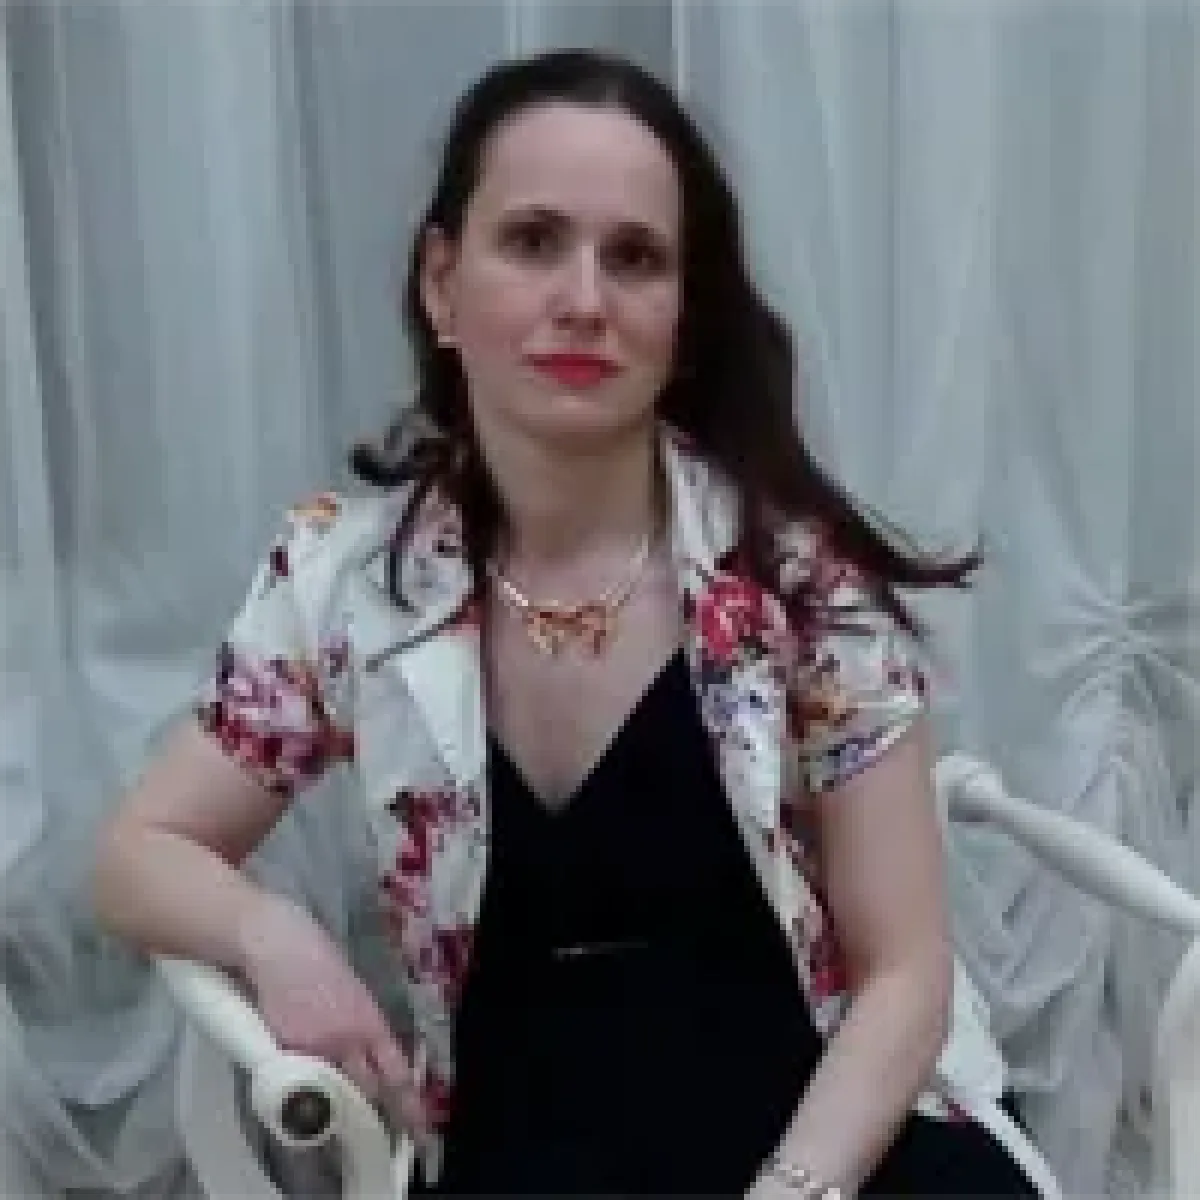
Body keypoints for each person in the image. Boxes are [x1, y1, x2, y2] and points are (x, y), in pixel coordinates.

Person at [93, 48, 1047, 1200]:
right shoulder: (345, 581)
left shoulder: (799, 583)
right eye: (534, 240)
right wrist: (271, 935)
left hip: (830, 1146)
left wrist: (797, 1191)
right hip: (523, 1153)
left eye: (635, 257)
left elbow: (906, 975)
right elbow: (138, 852)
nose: (584, 301)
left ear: (683, 315)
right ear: (442, 283)